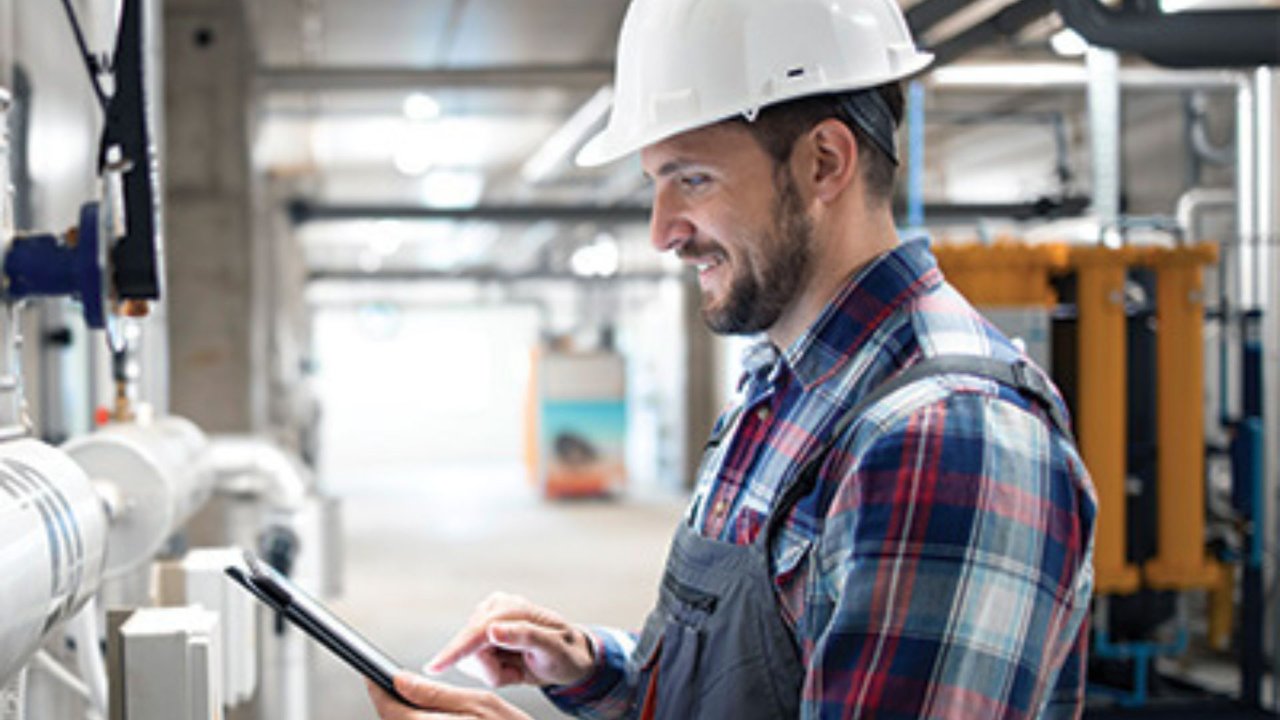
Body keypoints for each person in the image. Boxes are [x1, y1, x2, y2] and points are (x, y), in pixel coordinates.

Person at [368, 0, 1097, 717]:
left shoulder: (945, 437)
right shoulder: (779, 387)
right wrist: (594, 665)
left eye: (693, 179)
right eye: (655, 183)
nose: (662, 232)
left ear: (823, 163)